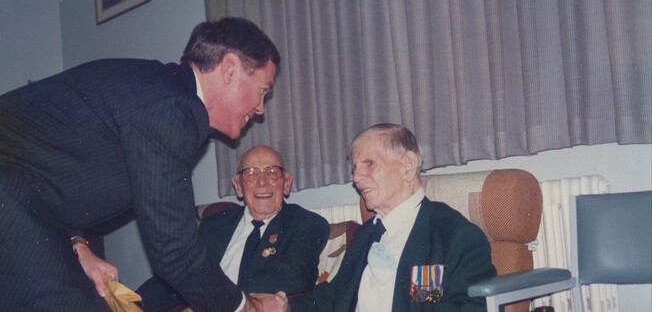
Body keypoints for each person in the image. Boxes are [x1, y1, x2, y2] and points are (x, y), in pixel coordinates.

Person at [0, 17, 289, 311]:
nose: (260, 109)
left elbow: (49, 172)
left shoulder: (161, 93)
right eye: (262, 91)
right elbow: (174, 250)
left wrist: (78, 245)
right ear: (229, 69)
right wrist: (247, 308)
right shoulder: (172, 109)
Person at [287, 123, 496, 311]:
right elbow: (335, 296)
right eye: (354, 168)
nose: (356, 178)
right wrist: (283, 306)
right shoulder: (365, 235)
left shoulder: (453, 235)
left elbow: (474, 306)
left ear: (407, 165)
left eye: (368, 163)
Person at [136, 145, 330, 312]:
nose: (262, 182)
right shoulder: (213, 225)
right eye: (251, 173)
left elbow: (290, 278)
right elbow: (179, 275)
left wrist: (208, 305)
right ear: (238, 186)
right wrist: (132, 302)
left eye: (271, 172)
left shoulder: (306, 223)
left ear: (286, 182)